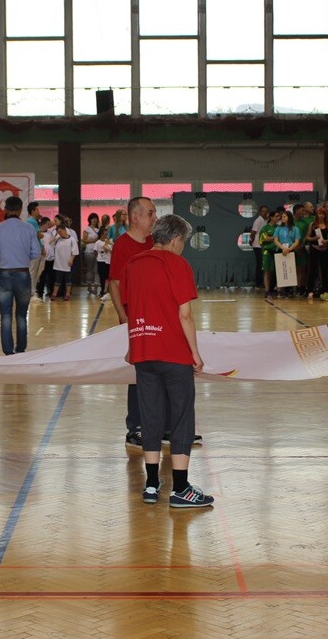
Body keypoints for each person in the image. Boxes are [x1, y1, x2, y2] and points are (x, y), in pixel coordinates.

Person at [122, 214, 213, 508]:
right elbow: (184, 315)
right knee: (181, 418)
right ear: (175, 240)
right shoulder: (177, 264)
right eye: (183, 242)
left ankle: (151, 485)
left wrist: (132, 344)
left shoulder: (133, 264)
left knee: (150, 417)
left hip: (143, 353)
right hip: (173, 354)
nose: (182, 247)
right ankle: (181, 489)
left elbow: (133, 309)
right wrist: (195, 353)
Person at [109, 197, 157, 448]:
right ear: (135, 217)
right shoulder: (122, 245)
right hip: (135, 320)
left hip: (158, 317)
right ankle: (135, 427)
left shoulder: (154, 243)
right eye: (150, 213)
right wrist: (124, 318)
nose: (154, 218)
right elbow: (114, 284)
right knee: (138, 375)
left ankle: (166, 426)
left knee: (163, 370)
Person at [0, 196, 41, 355]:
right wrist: (23, 258)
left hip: (4, 275)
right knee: (22, 315)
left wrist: (2, 259)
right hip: (23, 274)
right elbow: (36, 252)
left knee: (5, 315)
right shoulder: (29, 229)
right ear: (20, 210)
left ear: (5, 208)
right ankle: (21, 348)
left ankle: (7, 351)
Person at [273, 209, 302, 297]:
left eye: (284, 217)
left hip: (290, 250)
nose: (282, 218)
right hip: (281, 250)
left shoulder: (295, 229)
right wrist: (282, 248)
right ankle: (280, 289)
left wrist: (289, 249)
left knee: (290, 270)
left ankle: (290, 289)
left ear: (289, 218)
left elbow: (297, 241)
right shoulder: (278, 228)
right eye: (282, 217)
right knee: (281, 270)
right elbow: (275, 240)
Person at [304, 207, 328, 299]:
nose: (321, 216)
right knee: (312, 269)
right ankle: (310, 290)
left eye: (323, 214)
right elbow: (307, 237)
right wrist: (314, 239)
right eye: (319, 214)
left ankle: (324, 289)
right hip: (314, 248)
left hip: (324, 249)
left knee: (324, 270)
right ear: (317, 215)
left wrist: (326, 241)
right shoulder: (312, 225)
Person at [258, 207, 283, 298]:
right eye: (276, 216)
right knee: (267, 271)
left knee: (278, 271)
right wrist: (275, 237)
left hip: (277, 251)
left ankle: (278, 289)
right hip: (267, 251)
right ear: (271, 217)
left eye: (279, 216)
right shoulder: (265, 228)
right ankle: (267, 290)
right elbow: (265, 238)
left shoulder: (279, 228)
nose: (278, 218)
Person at [52, 222, 79, 301]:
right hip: (58, 263)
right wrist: (55, 236)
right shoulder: (57, 240)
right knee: (57, 280)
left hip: (67, 263)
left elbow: (75, 252)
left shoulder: (72, 240)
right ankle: (54, 293)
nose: (60, 233)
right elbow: (50, 242)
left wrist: (71, 259)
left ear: (65, 230)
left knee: (68, 280)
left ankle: (67, 294)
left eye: (60, 231)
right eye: (58, 232)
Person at [81, 213, 101, 294]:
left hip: (99, 251)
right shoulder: (87, 229)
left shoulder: (99, 229)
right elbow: (83, 240)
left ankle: (96, 288)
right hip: (89, 251)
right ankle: (89, 287)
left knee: (97, 270)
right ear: (90, 220)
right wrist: (93, 241)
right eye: (92, 218)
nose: (94, 220)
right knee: (90, 269)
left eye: (95, 218)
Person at [250, 205, 269, 286]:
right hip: (257, 244)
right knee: (260, 264)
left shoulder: (264, 220)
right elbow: (253, 232)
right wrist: (252, 240)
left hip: (261, 244)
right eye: (263, 211)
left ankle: (261, 282)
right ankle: (258, 283)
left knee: (262, 264)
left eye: (266, 211)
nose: (265, 213)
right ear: (260, 212)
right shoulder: (258, 220)